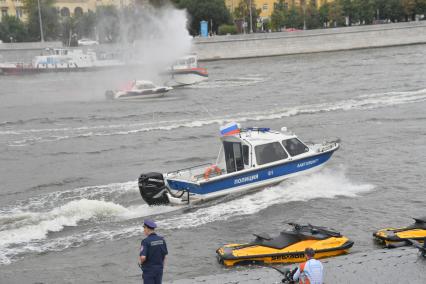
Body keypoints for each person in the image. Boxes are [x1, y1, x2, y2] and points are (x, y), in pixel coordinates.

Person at [139, 219, 168, 284]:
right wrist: (161, 267)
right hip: (159, 269)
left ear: (147, 228)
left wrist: (141, 263)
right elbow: (165, 255)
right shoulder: (161, 239)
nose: (144, 230)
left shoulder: (145, 241)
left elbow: (143, 257)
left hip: (149, 270)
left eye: (144, 228)